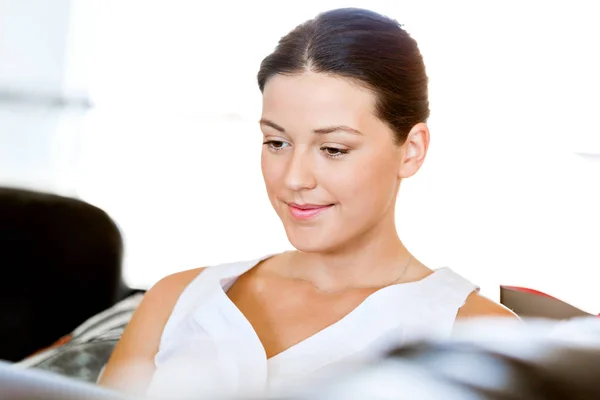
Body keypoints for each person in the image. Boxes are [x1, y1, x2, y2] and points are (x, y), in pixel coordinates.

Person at [98, 7, 517, 398]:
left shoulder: (477, 334)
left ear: (411, 150)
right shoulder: (178, 299)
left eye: (333, 149)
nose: (294, 178)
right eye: (277, 142)